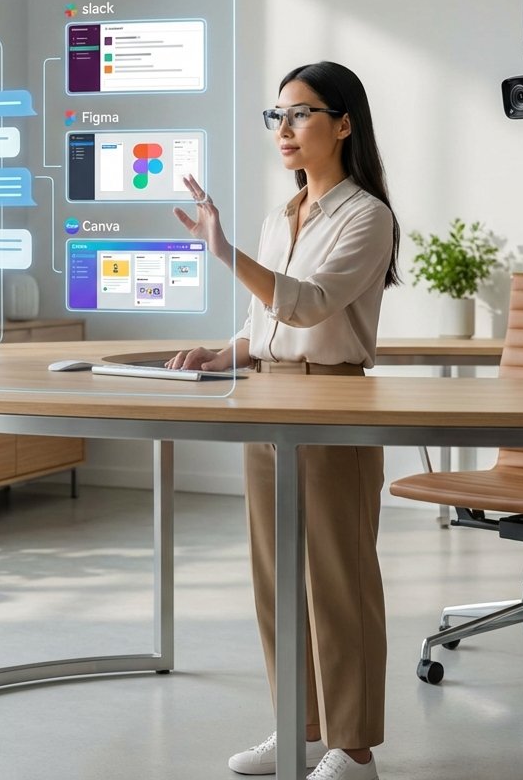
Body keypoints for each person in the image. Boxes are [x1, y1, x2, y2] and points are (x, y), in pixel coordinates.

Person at [167, 61, 400, 780]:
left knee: (338, 575)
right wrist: (222, 351)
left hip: (332, 400)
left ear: (343, 123)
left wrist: (223, 252)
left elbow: (308, 304)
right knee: (276, 576)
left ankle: (353, 747)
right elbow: (265, 322)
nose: (285, 130)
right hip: (266, 397)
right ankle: (296, 727)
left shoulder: (368, 216)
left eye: (300, 114)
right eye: (278, 116)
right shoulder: (281, 216)